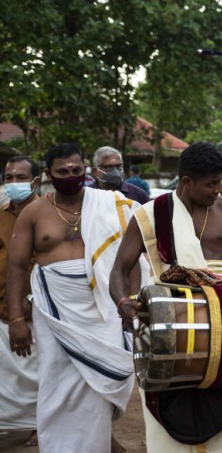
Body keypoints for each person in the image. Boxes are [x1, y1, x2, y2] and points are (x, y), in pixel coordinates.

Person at [110, 141, 222, 453]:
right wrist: (123, 302)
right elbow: (119, 270)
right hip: (168, 322)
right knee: (167, 395)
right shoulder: (149, 216)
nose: (220, 188)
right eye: (211, 183)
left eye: (221, 180)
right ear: (187, 182)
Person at [6, 143, 145, 453]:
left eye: (76, 170)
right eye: (62, 172)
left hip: (107, 307)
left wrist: (131, 300)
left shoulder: (111, 204)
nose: (70, 176)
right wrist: (16, 318)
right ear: (47, 175)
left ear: (85, 168)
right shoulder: (34, 212)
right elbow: (16, 267)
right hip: (54, 311)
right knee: (57, 385)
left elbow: (132, 258)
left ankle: (97, 443)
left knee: (104, 380)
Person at [0, 156, 41, 447]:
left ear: (35, 181)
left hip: (37, 308)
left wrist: (29, 300)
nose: (14, 183)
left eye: (20, 177)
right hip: (2, 306)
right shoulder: (0, 215)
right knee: (7, 375)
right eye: (9, 177)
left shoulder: (49, 213)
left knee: (39, 370)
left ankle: (39, 423)